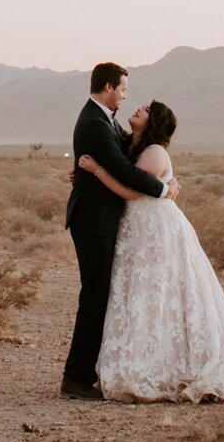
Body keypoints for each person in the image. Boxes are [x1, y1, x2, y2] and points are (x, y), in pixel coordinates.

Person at [77, 99, 224, 402]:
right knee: (139, 293)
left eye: (145, 110)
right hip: (138, 231)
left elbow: (131, 191)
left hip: (156, 230)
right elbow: (122, 170)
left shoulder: (154, 152)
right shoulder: (129, 145)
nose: (137, 109)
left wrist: (95, 171)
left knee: (161, 291)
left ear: (154, 122)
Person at [60, 62, 169, 400]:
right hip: (93, 222)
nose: (125, 96)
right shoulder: (93, 122)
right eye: (122, 90)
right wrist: (164, 189)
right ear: (108, 87)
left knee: (100, 296)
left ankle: (86, 370)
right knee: (94, 297)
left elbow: (129, 150)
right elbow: (122, 169)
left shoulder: (105, 120)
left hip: (101, 220)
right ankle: (75, 377)